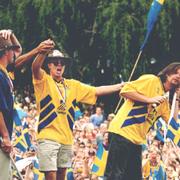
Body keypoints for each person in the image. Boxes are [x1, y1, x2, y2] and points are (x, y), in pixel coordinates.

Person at [31, 41, 124, 180]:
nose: (59, 65)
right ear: (49, 64)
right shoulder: (43, 80)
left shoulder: (72, 85)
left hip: (66, 139)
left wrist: (120, 86)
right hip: (48, 136)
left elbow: (96, 90)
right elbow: (35, 67)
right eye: (55, 62)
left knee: (61, 175)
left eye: (62, 63)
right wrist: (42, 52)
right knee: (50, 174)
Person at [105, 62, 180, 180]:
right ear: (167, 73)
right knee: (115, 176)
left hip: (137, 141)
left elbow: (173, 124)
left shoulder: (164, 102)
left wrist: (177, 99)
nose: (179, 76)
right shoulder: (152, 80)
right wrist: (149, 100)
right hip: (123, 132)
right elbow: (125, 90)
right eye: (176, 72)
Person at [0, 30, 22, 180]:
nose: (14, 53)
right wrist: (6, 136)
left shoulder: (4, 72)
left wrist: (11, 34)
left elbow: (18, 50)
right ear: (7, 52)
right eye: (11, 50)